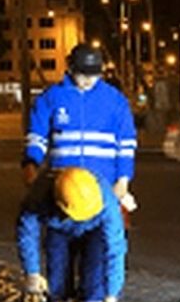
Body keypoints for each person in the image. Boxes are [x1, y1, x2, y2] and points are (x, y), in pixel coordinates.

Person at [17, 167, 127, 302]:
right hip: (59, 228)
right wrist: (32, 273)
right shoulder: (39, 195)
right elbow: (27, 232)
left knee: (94, 285)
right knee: (57, 284)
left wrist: (111, 297)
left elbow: (115, 249)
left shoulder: (105, 201)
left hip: (95, 232)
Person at [21, 43, 138, 213]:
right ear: (71, 69)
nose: (89, 80)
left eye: (94, 74)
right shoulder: (51, 98)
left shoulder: (115, 100)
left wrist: (123, 179)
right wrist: (31, 163)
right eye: (83, 74)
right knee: (50, 226)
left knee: (110, 229)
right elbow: (37, 136)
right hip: (63, 185)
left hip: (104, 184)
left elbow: (126, 142)